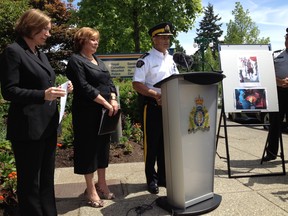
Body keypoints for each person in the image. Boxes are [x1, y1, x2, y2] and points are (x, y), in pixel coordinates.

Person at [0, 9, 73, 216]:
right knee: (30, 181)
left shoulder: (39, 53)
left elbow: (45, 84)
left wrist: (62, 89)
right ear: (30, 26)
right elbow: (9, 91)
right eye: (45, 29)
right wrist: (42, 95)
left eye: (49, 30)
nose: (48, 34)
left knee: (46, 178)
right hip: (27, 128)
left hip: (47, 126)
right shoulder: (13, 51)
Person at [66, 27, 119, 208]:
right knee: (88, 151)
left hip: (104, 113)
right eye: (92, 40)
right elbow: (83, 87)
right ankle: (91, 190)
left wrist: (113, 99)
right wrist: (105, 103)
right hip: (87, 114)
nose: (96, 43)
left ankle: (102, 184)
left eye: (97, 40)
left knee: (102, 149)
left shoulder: (98, 60)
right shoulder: (75, 61)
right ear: (82, 41)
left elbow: (109, 81)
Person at [132, 22, 179, 194]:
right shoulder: (145, 60)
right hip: (152, 106)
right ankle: (151, 179)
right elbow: (137, 84)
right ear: (154, 39)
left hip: (169, 106)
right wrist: (155, 95)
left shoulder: (171, 59)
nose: (167, 41)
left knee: (165, 145)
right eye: (163, 37)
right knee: (152, 145)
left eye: (168, 38)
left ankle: (163, 177)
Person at [263, 28, 288, 162]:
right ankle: (271, 153)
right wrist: (280, 81)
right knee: (274, 124)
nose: (287, 42)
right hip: (278, 92)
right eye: (286, 39)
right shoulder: (276, 55)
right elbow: (268, 72)